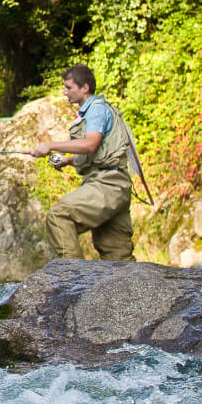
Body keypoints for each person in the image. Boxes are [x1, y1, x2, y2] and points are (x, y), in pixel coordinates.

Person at [29, 65, 140, 261]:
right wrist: (68, 161)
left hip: (107, 185)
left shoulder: (96, 109)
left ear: (85, 87)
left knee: (59, 216)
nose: (64, 92)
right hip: (118, 185)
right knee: (118, 255)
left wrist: (50, 146)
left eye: (68, 87)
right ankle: (135, 291)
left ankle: (74, 279)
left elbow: (90, 144)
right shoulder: (100, 108)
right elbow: (101, 152)